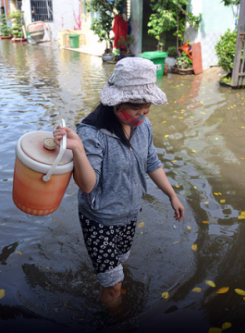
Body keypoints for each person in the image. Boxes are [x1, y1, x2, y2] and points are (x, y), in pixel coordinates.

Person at [53, 57, 185, 306]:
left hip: (129, 214)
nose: (142, 116)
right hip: (99, 219)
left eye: (146, 110)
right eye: (136, 111)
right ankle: (112, 321)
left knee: (119, 266)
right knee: (114, 288)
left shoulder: (143, 127)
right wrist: (78, 150)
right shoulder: (92, 133)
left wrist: (172, 195)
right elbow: (88, 185)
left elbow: (151, 162)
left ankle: (107, 285)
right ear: (116, 103)